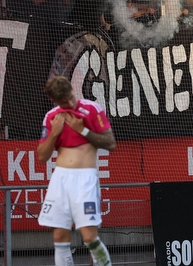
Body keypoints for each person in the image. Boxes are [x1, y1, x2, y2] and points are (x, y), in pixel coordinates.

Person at [36, 76, 117, 266]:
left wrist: (84, 131)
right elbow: (42, 156)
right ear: (54, 101)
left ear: (73, 89)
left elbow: (111, 144)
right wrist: (54, 133)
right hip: (61, 179)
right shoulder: (51, 117)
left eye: (71, 97)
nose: (71, 103)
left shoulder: (91, 109)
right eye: (65, 102)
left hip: (85, 178)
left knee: (89, 236)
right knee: (60, 236)